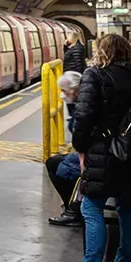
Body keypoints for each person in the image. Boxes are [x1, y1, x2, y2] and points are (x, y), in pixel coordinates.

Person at [57, 34, 131, 262]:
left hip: (103, 152)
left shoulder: (95, 75)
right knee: (127, 209)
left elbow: (84, 116)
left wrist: (80, 149)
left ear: (102, 51)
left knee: (91, 209)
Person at [46, 71, 83, 226]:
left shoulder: (84, 106)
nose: (62, 96)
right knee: (53, 162)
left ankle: (73, 211)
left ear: (75, 90)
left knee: (59, 166)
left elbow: (80, 135)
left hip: (92, 157)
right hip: (93, 154)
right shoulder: (79, 102)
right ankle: (72, 207)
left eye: (64, 91)